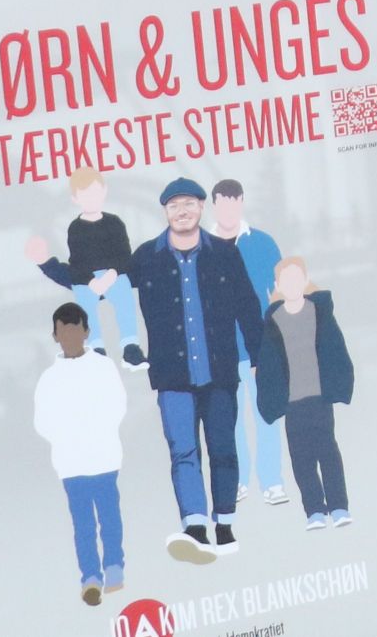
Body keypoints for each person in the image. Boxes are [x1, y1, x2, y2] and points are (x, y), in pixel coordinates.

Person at [38, 178, 263, 561]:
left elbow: (246, 304)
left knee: (223, 449)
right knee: (184, 452)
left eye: (189, 204)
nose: (182, 211)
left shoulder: (225, 254)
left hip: (220, 371)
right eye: (174, 205)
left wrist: (259, 356)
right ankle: (194, 526)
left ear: (201, 208)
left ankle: (223, 523)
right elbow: (93, 284)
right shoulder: (145, 257)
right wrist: (47, 263)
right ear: (165, 212)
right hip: (173, 375)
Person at [31, 303, 127, 607]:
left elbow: (118, 405)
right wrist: (67, 436)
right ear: (55, 335)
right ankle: (90, 577)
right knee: (83, 523)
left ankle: (114, 566)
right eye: (63, 330)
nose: (70, 335)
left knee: (109, 516)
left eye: (75, 328)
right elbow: (42, 421)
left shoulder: (103, 366)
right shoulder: (49, 379)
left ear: (86, 332)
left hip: (104, 457)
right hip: (71, 463)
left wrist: (95, 429)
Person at [254, 257, 356, 531]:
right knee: (301, 458)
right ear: (278, 285)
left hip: (319, 397)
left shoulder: (319, 312)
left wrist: (340, 384)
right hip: (291, 403)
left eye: (295, 278)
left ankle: (339, 507)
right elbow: (268, 366)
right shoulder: (274, 322)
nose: (291, 284)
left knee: (328, 451)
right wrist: (270, 400)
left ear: (304, 280)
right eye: (284, 281)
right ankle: (314, 510)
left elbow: (336, 349)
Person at [208, 179, 288, 509]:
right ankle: (239, 480)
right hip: (223, 349)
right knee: (230, 419)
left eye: (233, 202)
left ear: (241, 202)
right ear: (214, 205)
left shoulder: (263, 243)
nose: (228, 209)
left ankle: (272, 481)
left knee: (267, 413)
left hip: (261, 347)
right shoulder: (202, 247)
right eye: (222, 203)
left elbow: (279, 293)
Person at [31, 168, 146, 370]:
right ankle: (97, 347)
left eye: (94, 192)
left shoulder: (114, 223)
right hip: (88, 281)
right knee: (85, 299)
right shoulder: (75, 228)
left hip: (113, 276)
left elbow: (123, 255)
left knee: (123, 294)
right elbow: (78, 263)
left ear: (104, 191)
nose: (91, 199)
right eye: (85, 195)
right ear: (75, 199)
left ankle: (130, 346)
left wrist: (111, 275)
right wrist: (92, 282)